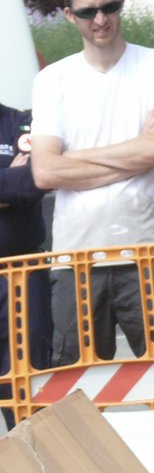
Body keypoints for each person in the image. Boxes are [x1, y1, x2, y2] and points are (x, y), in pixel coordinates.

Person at [29, 0, 154, 366]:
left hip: (147, 254)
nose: (100, 19)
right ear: (69, 15)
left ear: (121, 5)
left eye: (109, 7)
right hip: (75, 258)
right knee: (70, 390)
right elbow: (45, 172)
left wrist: (73, 158)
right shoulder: (52, 81)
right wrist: (136, 154)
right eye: (87, 12)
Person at [0, 99, 52, 428]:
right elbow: (17, 184)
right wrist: (9, 176)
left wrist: (22, 178)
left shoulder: (24, 123)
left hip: (21, 274)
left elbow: (34, 182)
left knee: (27, 386)